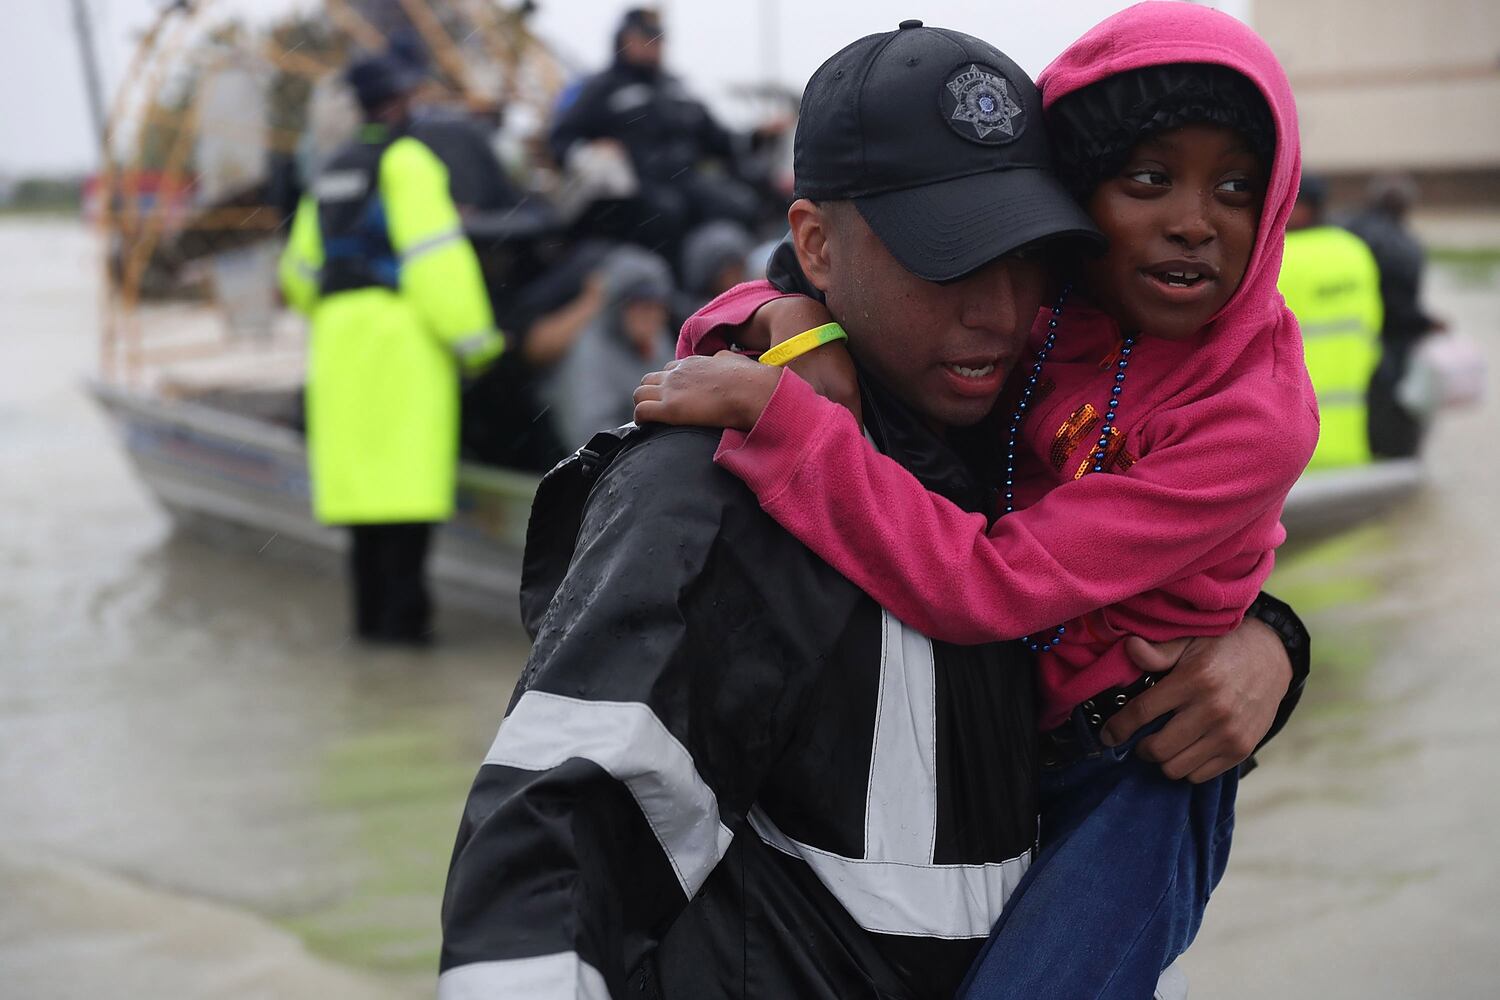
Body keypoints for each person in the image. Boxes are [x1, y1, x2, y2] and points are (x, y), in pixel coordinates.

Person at [440, 22, 1309, 999]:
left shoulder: (993, 405)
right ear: (813, 243)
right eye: (947, 261)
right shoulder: (716, 485)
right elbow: (559, 832)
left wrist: (1271, 634)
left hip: (1123, 777)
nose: (995, 311)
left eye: (1028, 258)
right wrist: (777, 326)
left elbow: (1017, 571)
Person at [279, 54, 503, 644]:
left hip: (337, 352)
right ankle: (406, 673)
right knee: (407, 531)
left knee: (364, 536)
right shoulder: (408, 162)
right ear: (403, 103)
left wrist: (342, 313)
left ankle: (369, 656)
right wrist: (479, 346)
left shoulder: (332, 168)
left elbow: (299, 275)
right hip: (401, 356)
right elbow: (436, 264)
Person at [547, 7, 778, 259]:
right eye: (645, 37)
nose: (654, 44)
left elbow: (718, 139)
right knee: (666, 213)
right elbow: (560, 139)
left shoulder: (676, 88)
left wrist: (757, 135)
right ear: (625, 39)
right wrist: (590, 150)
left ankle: (744, 279)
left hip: (688, 181)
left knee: (740, 204)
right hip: (636, 190)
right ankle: (671, 289)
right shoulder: (600, 88)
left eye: (658, 37)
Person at [1279, 176, 1383, 469]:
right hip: (1351, 445)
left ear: (1301, 208)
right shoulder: (1355, 251)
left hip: (1291, 448)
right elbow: (1373, 330)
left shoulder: (1282, 256)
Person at [1344, 173, 1447, 458]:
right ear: (1406, 206)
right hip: (1387, 346)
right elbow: (1397, 308)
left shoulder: (1346, 228)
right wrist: (1426, 322)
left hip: (1347, 343)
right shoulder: (1404, 246)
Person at [539, 245, 678, 450]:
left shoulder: (658, 339)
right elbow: (590, 438)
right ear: (619, 306)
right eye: (640, 305)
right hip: (596, 466)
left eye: (656, 305)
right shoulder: (590, 351)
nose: (650, 316)